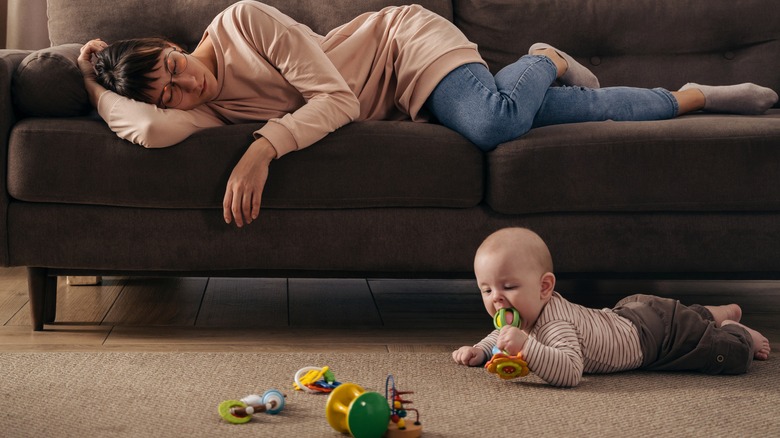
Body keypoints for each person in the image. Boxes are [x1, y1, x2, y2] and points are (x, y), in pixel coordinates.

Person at [76, 1, 779, 228]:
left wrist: (261, 150)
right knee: (557, 118)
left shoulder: (243, 23)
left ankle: (543, 56)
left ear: (172, 45)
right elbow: (149, 129)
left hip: (405, 50)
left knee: (496, 122)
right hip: (407, 100)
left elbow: (341, 102)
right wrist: (90, 76)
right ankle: (695, 98)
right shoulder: (195, 109)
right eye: (164, 90)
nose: (180, 87)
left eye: (170, 67)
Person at [452, 227, 771, 387]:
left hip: (655, 339)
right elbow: (501, 334)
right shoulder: (524, 313)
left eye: (508, 287)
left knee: (721, 354)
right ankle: (715, 312)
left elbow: (570, 371)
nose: (496, 297)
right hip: (632, 313)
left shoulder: (554, 325)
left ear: (544, 287)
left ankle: (737, 331)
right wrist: (481, 350)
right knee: (687, 320)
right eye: (486, 289)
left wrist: (527, 348)